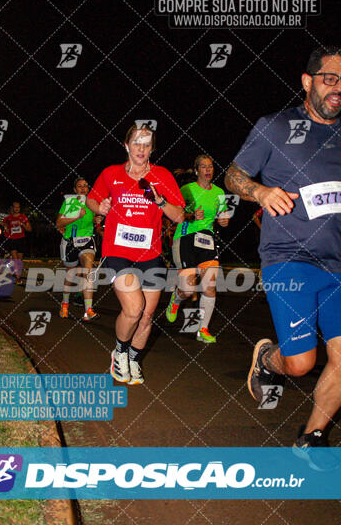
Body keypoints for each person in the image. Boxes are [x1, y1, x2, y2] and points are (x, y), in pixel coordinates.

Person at [225, 46, 341, 462]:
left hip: (338, 264)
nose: (337, 90)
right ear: (308, 81)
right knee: (300, 364)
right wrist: (260, 191)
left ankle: (310, 438)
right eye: (330, 79)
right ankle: (268, 360)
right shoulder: (275, 127)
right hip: (289, 257)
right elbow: (233, 175)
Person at [87, 123, 185, 385]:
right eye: (137, 142)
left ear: (152, 148)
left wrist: (160, 201)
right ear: (126, 145)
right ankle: (119, 352)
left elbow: (179, 215)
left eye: (147, 143)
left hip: (150, 254)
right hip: (117, 251)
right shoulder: (111, 174)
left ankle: (133, 358)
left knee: (147, 315)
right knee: (134, 309)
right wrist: (102, 206)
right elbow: (91, 200)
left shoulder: (163, 176)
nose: (141, 148)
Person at [165, 155, 230, 342]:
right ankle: (176, 299)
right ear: (196, 170)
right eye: (203, 167)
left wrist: (224, 220)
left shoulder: (219, 192)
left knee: (210, 285)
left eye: (210, 166)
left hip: (207, 238)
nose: (208, 170)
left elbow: (223, 216)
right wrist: (190, 214)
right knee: (187, 288)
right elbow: (174, 214)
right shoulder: (186, 190)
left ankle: (203, 330)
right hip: (185, 238)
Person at [56, 178, 100, 322]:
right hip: (70, 242)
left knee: (88, 271)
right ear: (75, 190)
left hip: (87, 241)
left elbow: (96, 219)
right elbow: (59, 223)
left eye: (85, 186)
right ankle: (64, 305)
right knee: (70, 275)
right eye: (79, 186)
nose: (83, 188)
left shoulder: (92, 203)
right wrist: (77, 216)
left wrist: (96, 221)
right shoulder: (69, 203)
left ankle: (88, 310)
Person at [2, 202, 32, 284]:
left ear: (20, 208)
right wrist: (5, 227)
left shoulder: (23, 217)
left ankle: (15, 271)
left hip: (21, 240)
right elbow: (3, 223)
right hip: (12, 240)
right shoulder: (9, 217)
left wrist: (22, 224)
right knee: (15, 259)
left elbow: (29, 229)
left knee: (19, 261)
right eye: (15, 207)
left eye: (18, 207)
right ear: (13, 208)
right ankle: (18, 278)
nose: (17, 209)